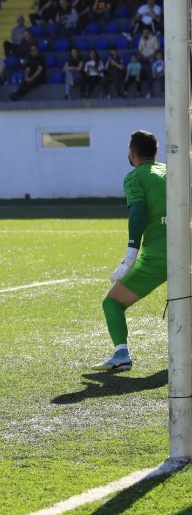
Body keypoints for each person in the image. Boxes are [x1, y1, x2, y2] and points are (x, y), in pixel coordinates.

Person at [92, 130, 165, 372]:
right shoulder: (173, 171)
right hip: (188, 251)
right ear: (156, 152)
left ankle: (121, 354)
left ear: (132, 153)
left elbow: (137, 213)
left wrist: (130, 256)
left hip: (159, 257)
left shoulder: (134, 177)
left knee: (112, 303)